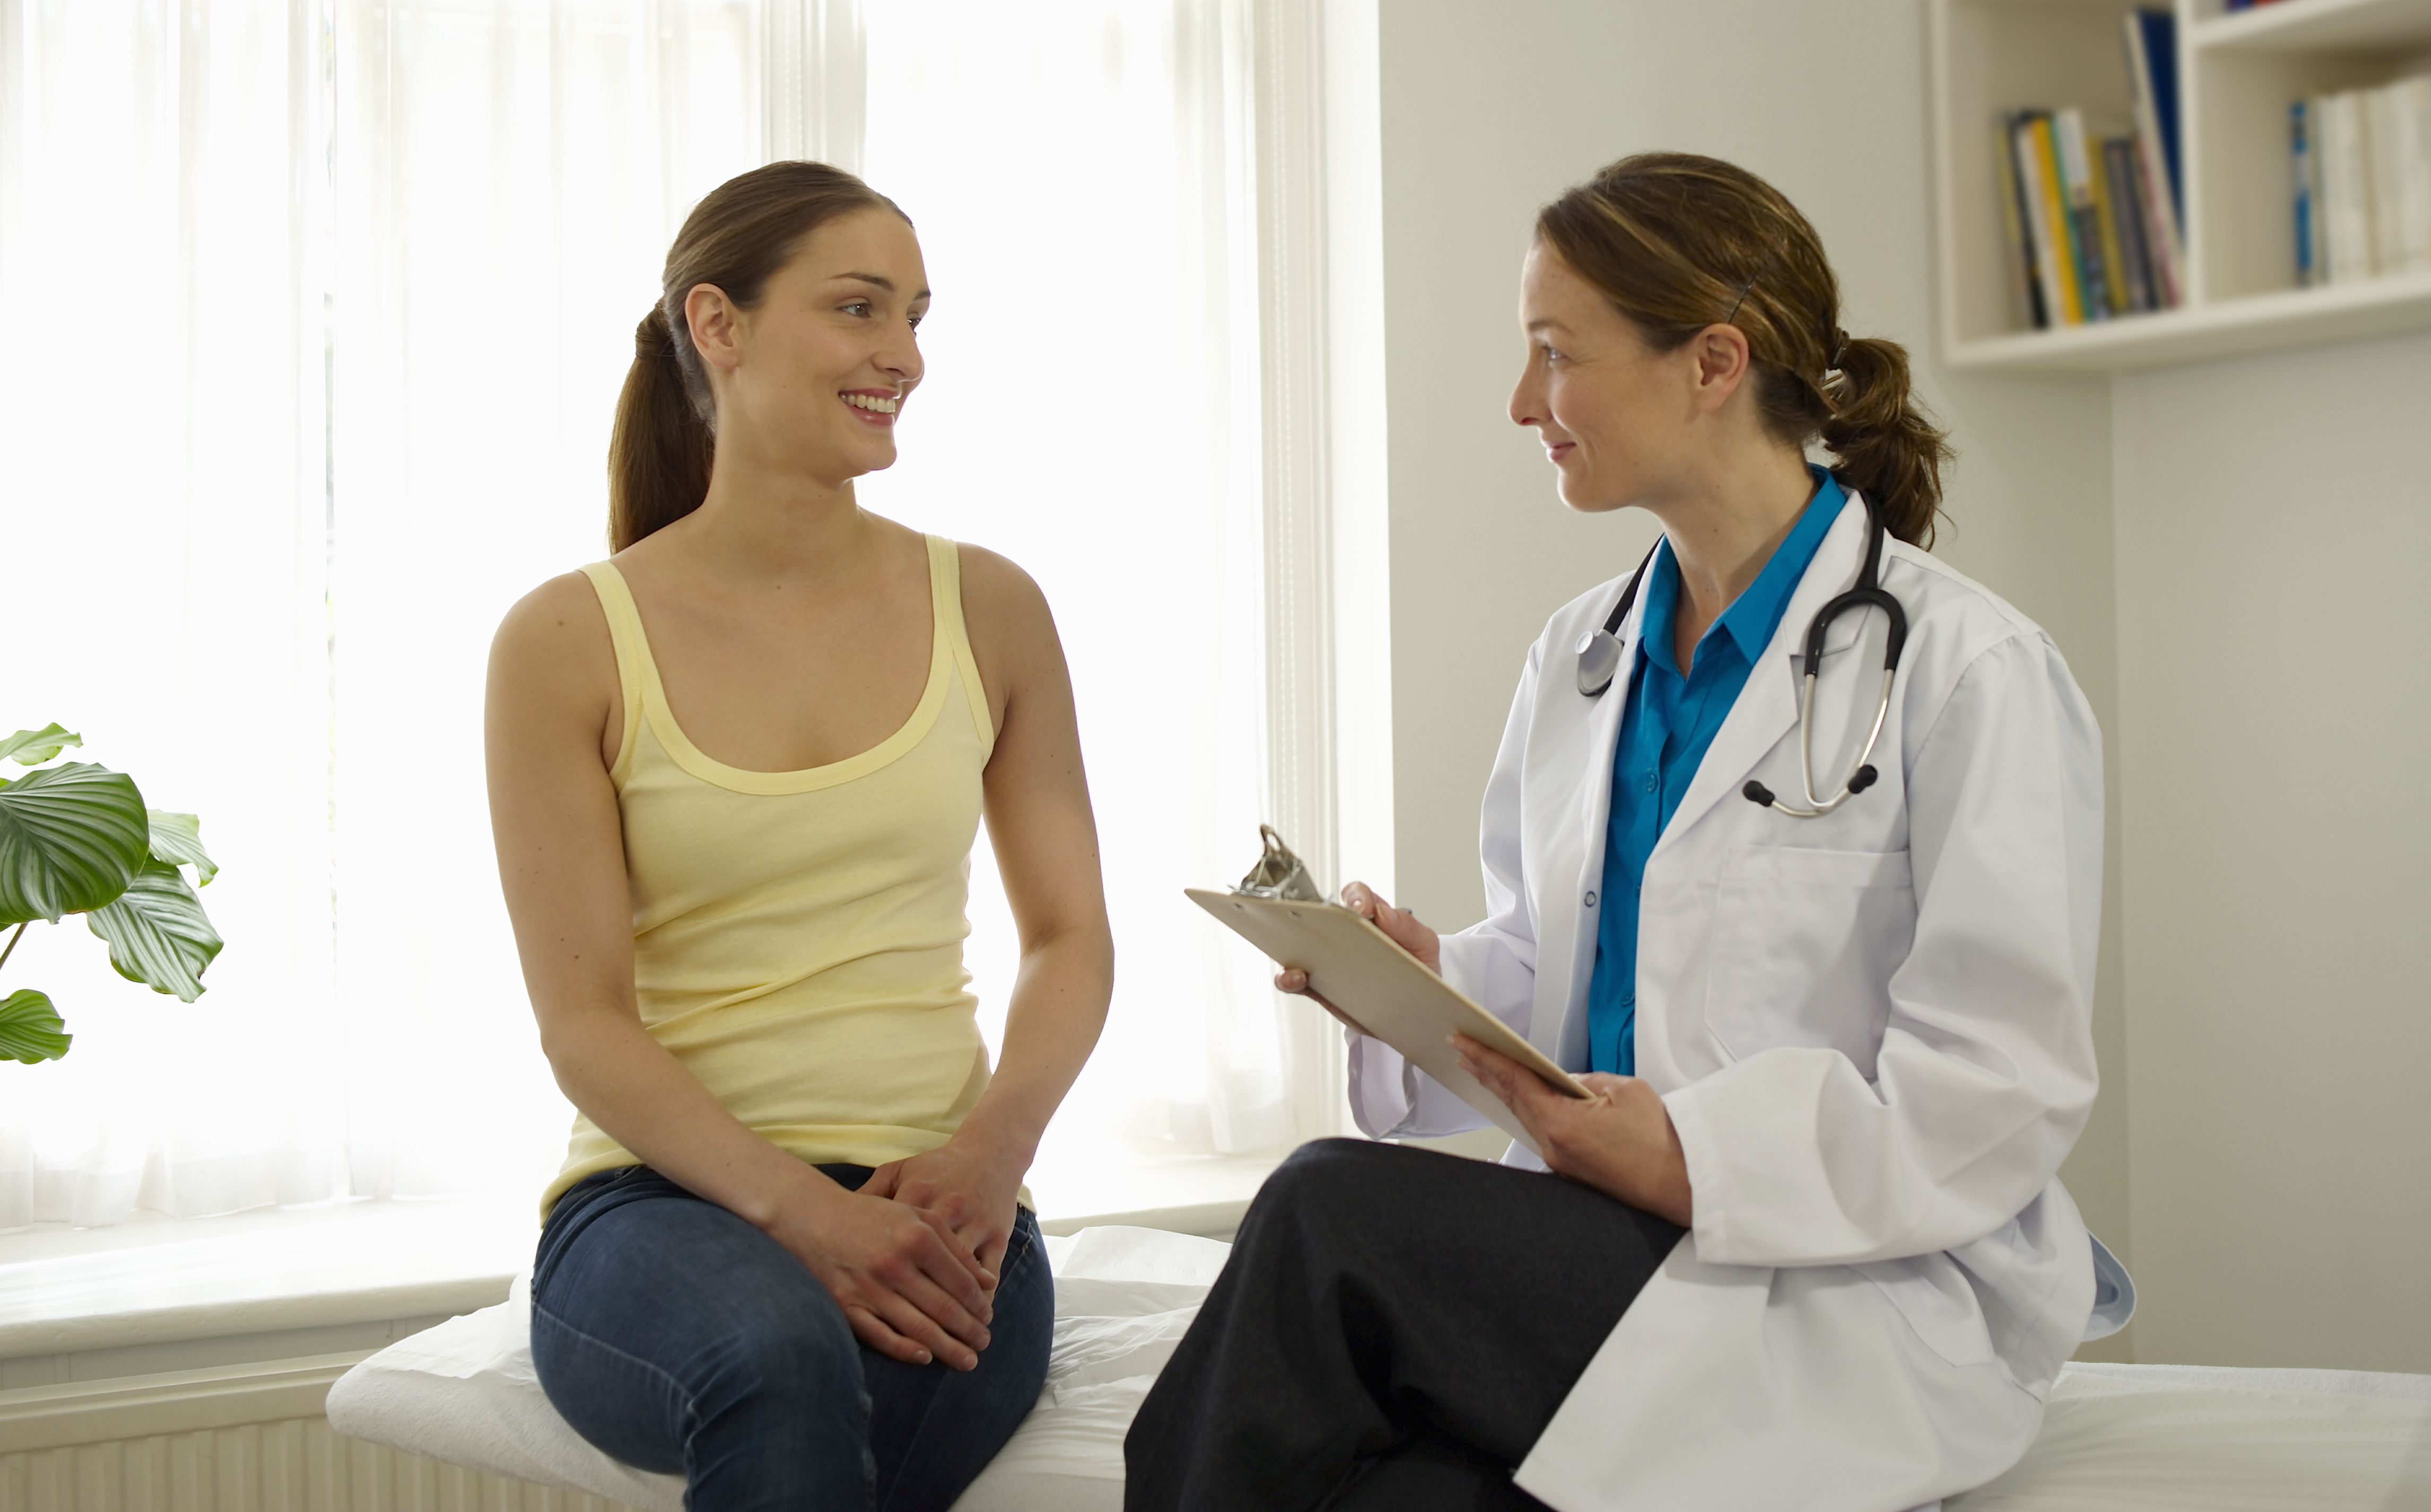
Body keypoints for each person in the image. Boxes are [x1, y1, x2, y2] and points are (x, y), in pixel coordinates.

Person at [1124, 152, 2127, 1512]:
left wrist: (1691, 1154)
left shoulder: (1967, 671)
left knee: (1324, 1209)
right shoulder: (1581, 654)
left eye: (1554, 353)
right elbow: (1566, 975)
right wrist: (1426, 983)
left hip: (1840, 1285)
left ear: (1712, 362)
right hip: (1599, 1250)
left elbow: (1996, 1088)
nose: (1520, 401)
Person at [484, 161, 1114, 1512]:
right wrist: (806, 1212)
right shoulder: (566, 640)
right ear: (718, 324)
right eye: (857, 308)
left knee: (856, 1404)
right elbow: (583, 1022)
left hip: (941, 1200)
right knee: (778, 1358)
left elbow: (1070, 936)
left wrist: (991, 1155)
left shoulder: (991, 609)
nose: (904, 357)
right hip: (656, 1202)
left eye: (916, 318)